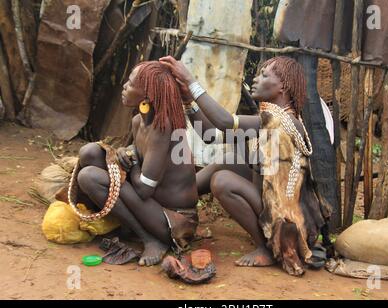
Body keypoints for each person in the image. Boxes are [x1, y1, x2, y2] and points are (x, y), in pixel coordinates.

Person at [160, 55, 330, 276]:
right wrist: (187, 102)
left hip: (288, 225)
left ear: (283, 87)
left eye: (264, 75)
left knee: (222, 181)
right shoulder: (269, 119)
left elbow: (224, 121)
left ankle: (268, 248)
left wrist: (191, 82)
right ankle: (173, 207)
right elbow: (210, 134)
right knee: (227, 162)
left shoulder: (284, 121)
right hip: (271, 205)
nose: (256, 79)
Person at [73, 61, 198, 266]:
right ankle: (131, 227)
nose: (124, 87)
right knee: (90, 153)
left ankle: (149, 238)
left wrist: (130, 162)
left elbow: (143, 189)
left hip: (173, 221)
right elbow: (134, 158)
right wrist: (125, 152)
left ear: (147, 97)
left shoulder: (163, 126)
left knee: (89, 177)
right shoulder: (138, 121)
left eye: (130, 84)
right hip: (149, 205)